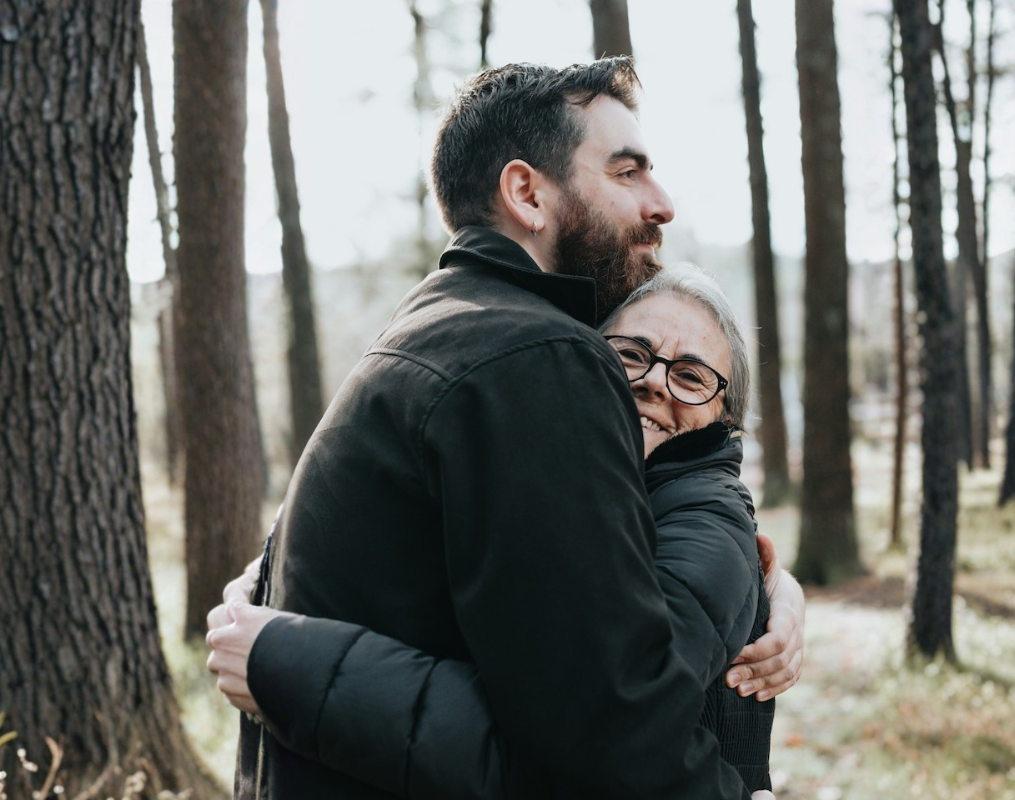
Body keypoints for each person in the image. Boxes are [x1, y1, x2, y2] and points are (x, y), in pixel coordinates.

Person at [207, 58, 803, 799]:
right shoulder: (538, 357)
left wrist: (762, 580)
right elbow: (610, 728)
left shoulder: (433, 326)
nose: (663, 203)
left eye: (689, 375)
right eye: (626, 173)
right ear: (526, 193)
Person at [210, 265, 784, 795]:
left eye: (690, 376)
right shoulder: (564, 485)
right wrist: (267, 573)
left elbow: (599, 739)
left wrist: (294, 665)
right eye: (631, 354)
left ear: (725, 419)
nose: (654, 383)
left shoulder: (709, 528)